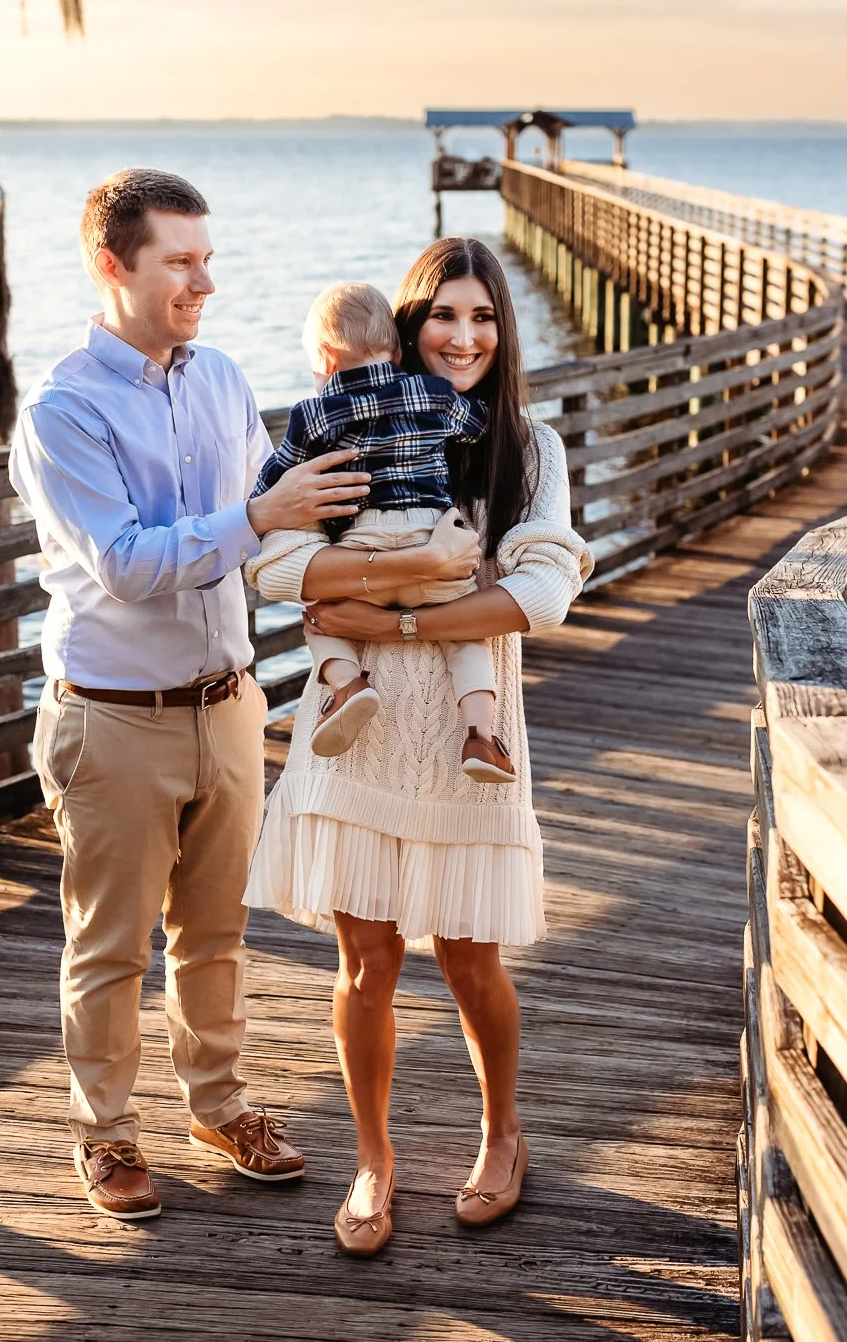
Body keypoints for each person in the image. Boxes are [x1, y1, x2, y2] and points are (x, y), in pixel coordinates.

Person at [9, 167, 375, 1222]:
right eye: (179, 260)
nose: (202, 281)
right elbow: (126, 560)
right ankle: (106, 1135)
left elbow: (278, 505)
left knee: (216, 933)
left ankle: (219, 1105)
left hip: (228, 703)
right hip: (113, 716)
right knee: (112, 944)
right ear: (111, 264)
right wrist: (261, 517)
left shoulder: (218, 376)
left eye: (207, 259)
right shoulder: (64, 407)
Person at [245, 237, 592, 1255]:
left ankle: (501, 1133)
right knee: (368, 959)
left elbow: (540, 592)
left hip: (465, 728)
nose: (465, 334)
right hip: (352, 728)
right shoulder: (351, 422)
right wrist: (432, 570)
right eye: (445, 314)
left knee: (470, 954)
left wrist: (389, 615)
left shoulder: (523, 446)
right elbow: (276, 571)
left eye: (483, 316)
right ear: (408, 322)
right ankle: (374, 1160)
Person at [250, 278, 514, 782]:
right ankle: (481, 737)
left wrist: (257, 503)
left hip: (363, 547)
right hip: (430, 538)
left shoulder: (312, 413)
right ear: (397, 348)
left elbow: (278, 478)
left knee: (321, 619)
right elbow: (478, 425)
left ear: (326, 359)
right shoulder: (433, 393)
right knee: (467, 640)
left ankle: (348, 685)